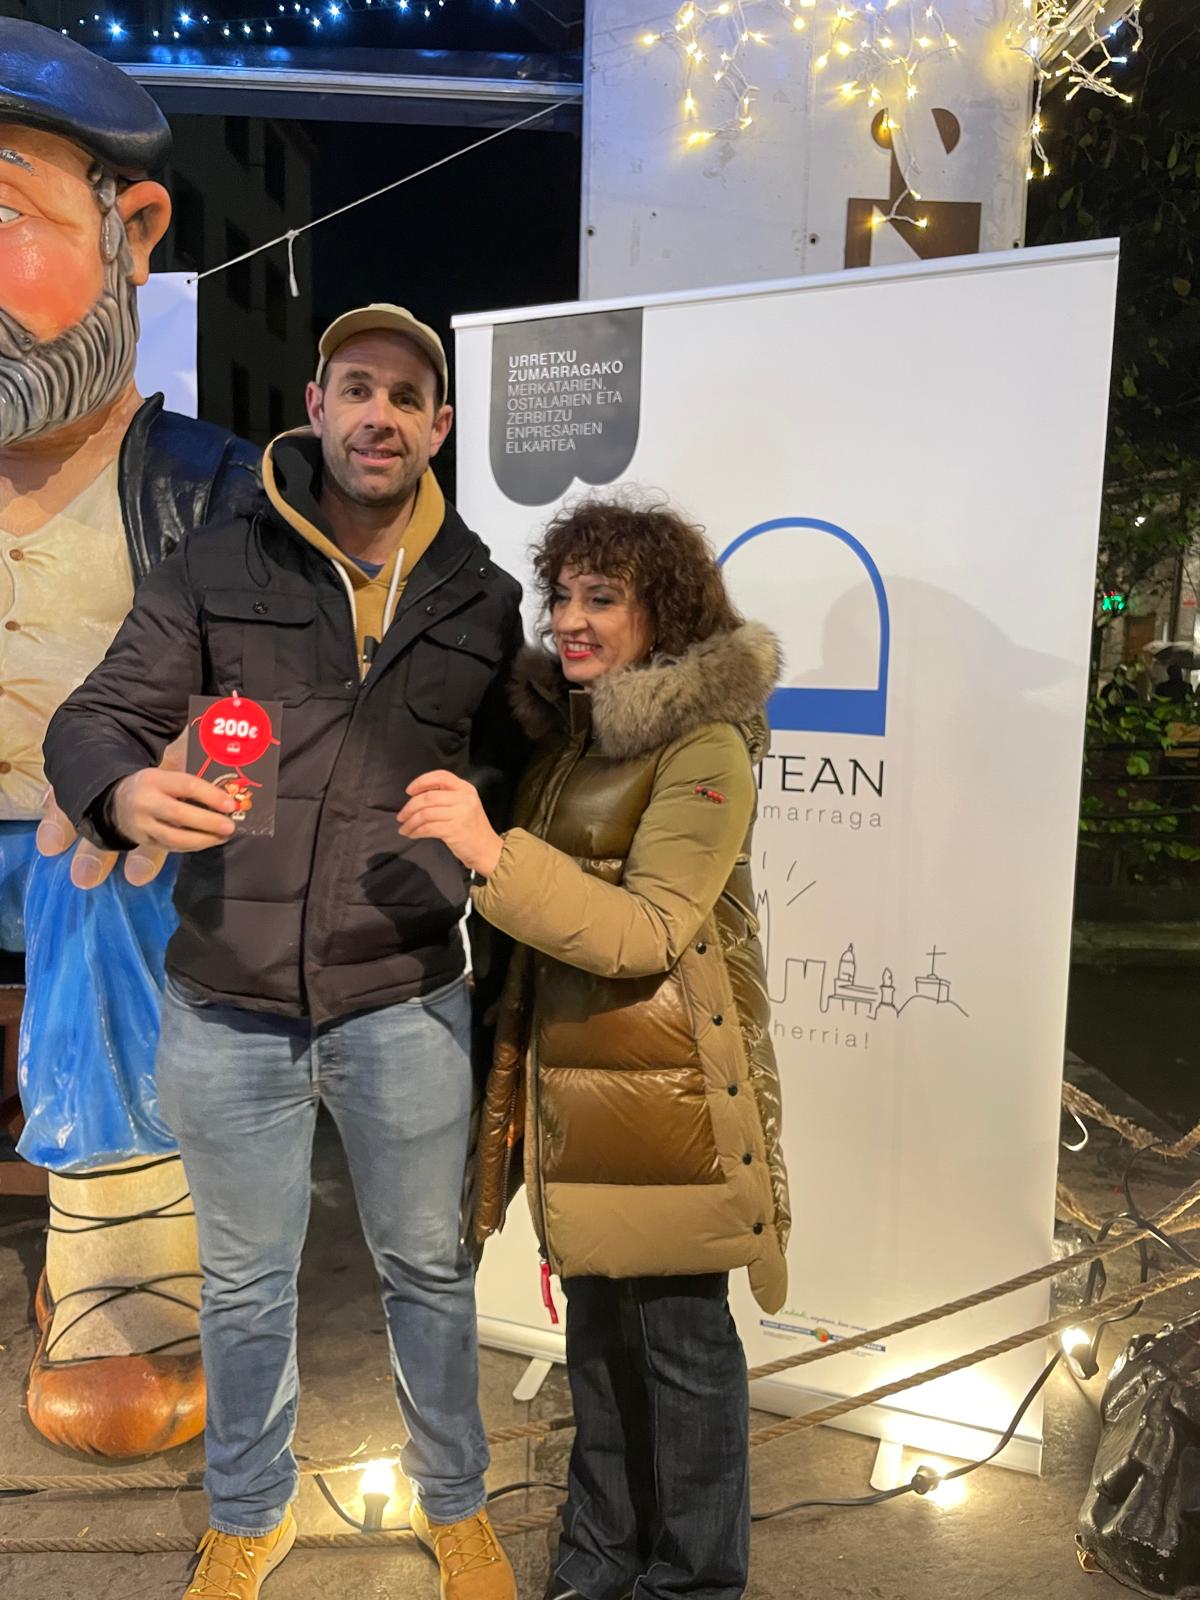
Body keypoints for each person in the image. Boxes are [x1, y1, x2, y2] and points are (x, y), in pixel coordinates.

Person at [44, 304, 523, 1600]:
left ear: (438, 426)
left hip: (405, 997)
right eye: (356, 388)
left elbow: (514, 777)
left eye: (406, 397)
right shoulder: (216, 565)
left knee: (430, 1272)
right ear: (315, 407)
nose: (380, 415)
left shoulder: (482, 599)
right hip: (227, 1001)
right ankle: (249, 1515)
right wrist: (121, 793)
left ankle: (457, 1502)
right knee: (246, 1288)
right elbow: (95, 717)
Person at [398, 498, 792, 1600]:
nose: (570, 618)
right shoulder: (573, 739)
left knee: (682, 1356)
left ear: (663, 612)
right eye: (562, 594)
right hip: (580, 1093)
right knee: (602, 1358)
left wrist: (490, 853)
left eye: (602, 597)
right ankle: (598, 1558)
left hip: (671, 1104)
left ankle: (693, 1581)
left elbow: (647, 930)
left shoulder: (705, 746)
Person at [0, 17, 259, 1457]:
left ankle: (121, 1246)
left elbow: (271, 683)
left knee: (95, 862)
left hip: (103, 846)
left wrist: (199, 766)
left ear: (132, 230)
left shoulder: (212, 489)